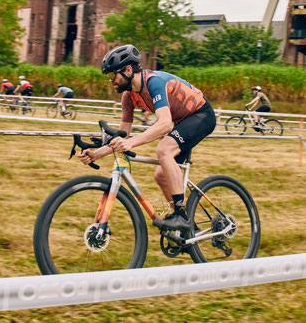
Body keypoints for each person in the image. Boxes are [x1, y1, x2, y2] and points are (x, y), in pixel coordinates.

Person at [78, 44, 216, 232]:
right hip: (182, 122)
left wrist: (131, 142)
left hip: (201, 115)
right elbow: (123, 135)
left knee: (163, 150)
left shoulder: (153, 82)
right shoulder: (128, 96)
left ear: (128, 70)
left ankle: (181, 216)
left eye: (112, 75)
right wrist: (96, 154)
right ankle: (187, 227)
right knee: (161, 175)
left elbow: (165, 124)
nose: (111, 81)